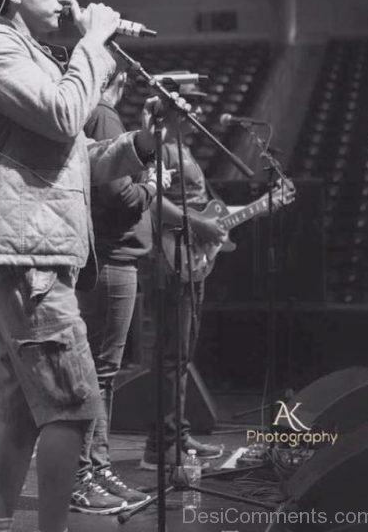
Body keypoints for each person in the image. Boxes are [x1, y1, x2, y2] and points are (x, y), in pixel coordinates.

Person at [0, 0, 168, 532]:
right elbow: (63, 113)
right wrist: (92, 43)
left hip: (39, 247)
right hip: (28, 251)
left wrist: (143, 143)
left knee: (23, 410)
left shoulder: (38, 56)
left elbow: (77, 152)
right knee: (74, 409)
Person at [70, 66, 172, 515]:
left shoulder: (91, 115)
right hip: (112, 260)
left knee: (99, 372)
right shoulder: (105, 116)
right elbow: (122, 198)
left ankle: (95, 468)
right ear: (120, 82)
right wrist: (153, 185)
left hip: (108, 259)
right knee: (100, 374)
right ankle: (89, 471)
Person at [140, 84, 226, 470]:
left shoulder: (182, 147)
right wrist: (202, 226)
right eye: (191, 103)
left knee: (181, 355)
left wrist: (209, 226)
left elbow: (191, 205)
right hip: (171, 259)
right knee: (172, 356)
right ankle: (162, 446)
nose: (198, 110)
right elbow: (154, 202)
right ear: (172, 109)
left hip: (190, 257)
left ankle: (177, 433)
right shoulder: (163, 147)